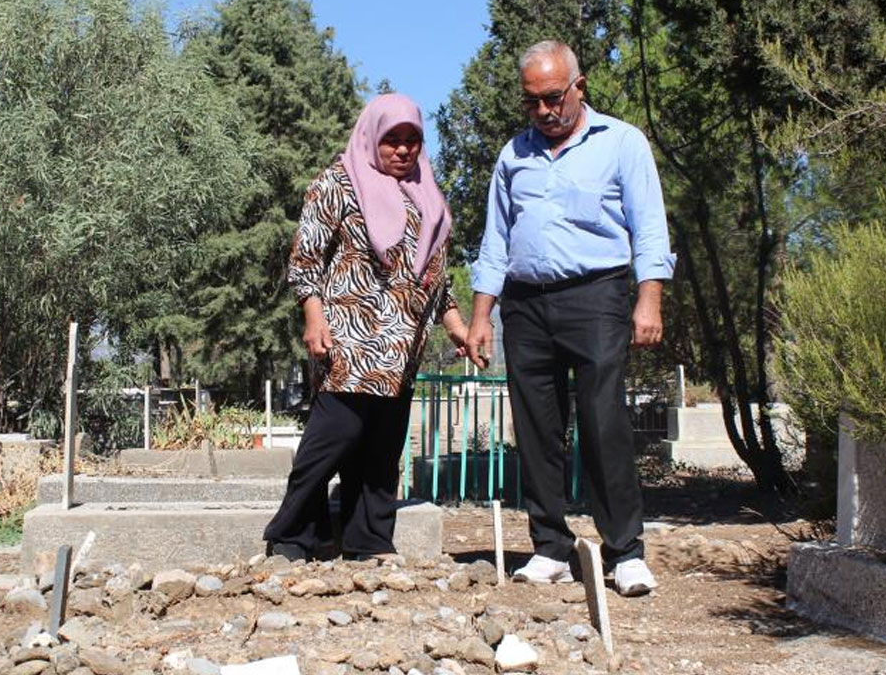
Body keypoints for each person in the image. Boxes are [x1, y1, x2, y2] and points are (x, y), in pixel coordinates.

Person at [465, 40, 675, 596]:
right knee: (536, 428)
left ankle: (625, 552)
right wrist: (482, 316)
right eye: (531, 102)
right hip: (526, 305)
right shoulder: (513, 155)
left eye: (553, 98)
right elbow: (495, 241)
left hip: (597, 295)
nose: (543, 112)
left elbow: (649, 227)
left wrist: (648, 298)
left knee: (604, 421)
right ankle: (550, 547)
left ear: (579, 86)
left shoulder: (622, 143)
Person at [263, 93, 468, 562]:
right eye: (391, 139)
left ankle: (368, 540)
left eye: (411, 140)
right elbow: (306, 256)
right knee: (330, 439)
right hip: (350, 338)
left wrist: (453, 322)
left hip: (402, 345)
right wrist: (312, 316)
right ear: (371, 137)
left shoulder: (427, 193)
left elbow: (436, 272)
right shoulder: (338, 183)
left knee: (381, 449)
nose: (401, 150)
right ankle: (292, 536)